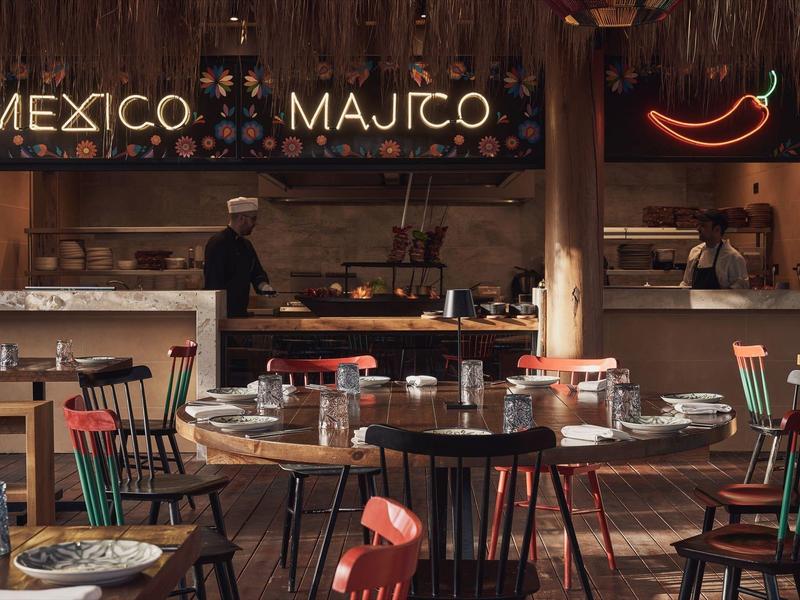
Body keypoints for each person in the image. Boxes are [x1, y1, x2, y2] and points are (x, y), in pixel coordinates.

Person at [204, 196, 275, 317]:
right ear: (242, 218)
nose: (255, 223)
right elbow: (213, 284)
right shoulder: (217, 243)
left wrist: (263, 286)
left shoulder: (246, 245)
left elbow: (256, 272)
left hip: (240, 313)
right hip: (221, 315)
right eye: (253, 219)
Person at [681, 209, 749, 289]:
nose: (698, 229)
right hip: (697, 301)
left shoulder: (733, 257)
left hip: (721, 301)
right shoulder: (695, 252)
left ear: (717, 229)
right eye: (698, 225)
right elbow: (686, 284)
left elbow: (741, 290)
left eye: (703, 226)